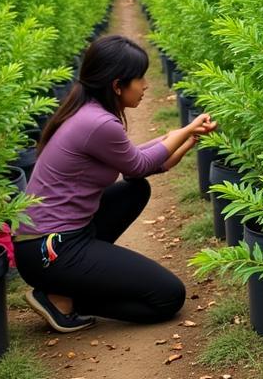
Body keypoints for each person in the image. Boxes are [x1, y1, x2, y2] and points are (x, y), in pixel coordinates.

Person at [14, 34, 216, 332]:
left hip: (55, 239)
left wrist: (187, 138)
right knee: (168, 297)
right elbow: (140, 164)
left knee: (135, 190)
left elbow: (138, 168)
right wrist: (185, 129)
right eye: (140, 78)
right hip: (50, 250)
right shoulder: (98, 123)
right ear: (117, 85)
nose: (146, 85)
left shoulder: (88, 111)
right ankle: (60, 298)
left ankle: (64, 289)